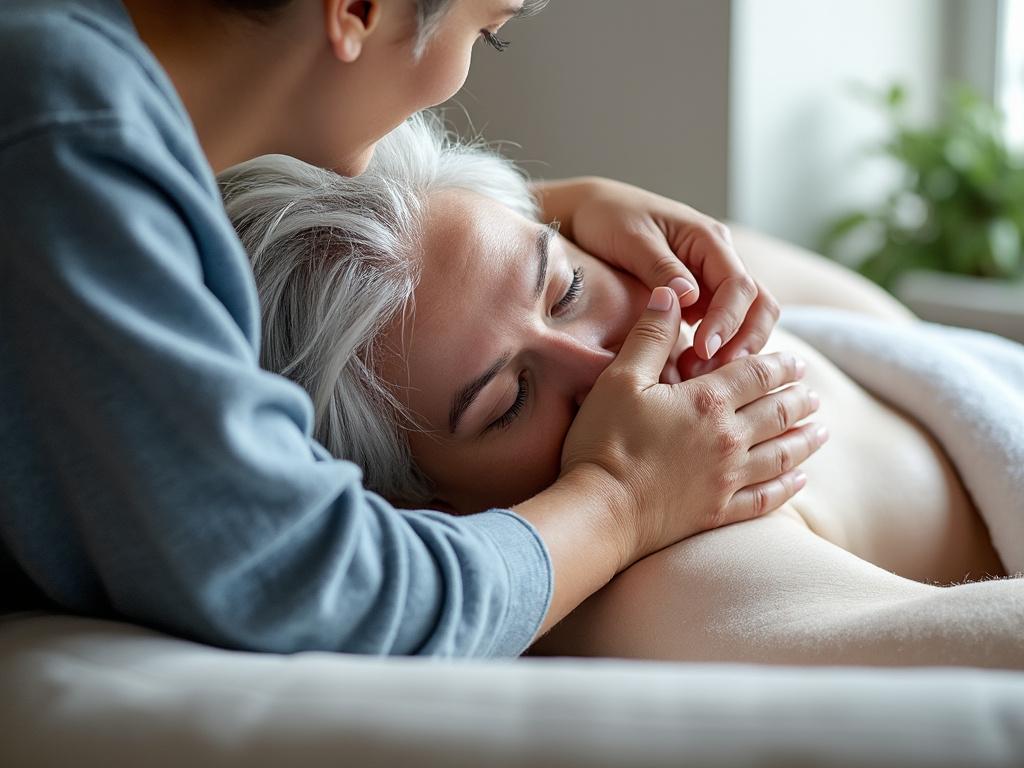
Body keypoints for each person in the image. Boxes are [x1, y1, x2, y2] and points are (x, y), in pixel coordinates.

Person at [0, 0, 819, 656]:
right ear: (355, 9)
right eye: (485, 34)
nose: (608, 372)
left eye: (566, 287)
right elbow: (308, 584)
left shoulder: (70, 102)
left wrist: (539, 215)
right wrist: (623, 498)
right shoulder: (61, 137)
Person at [221, 113, 1023, 668]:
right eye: (508, 403)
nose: (605, 367)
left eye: (565, 290)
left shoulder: (699, 296)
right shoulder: (677, 571)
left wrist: (563, 204)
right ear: (433, 509)